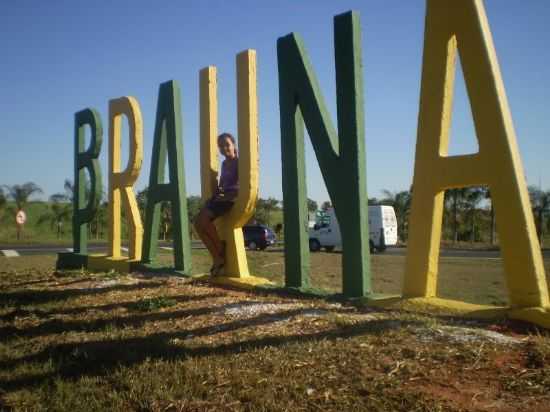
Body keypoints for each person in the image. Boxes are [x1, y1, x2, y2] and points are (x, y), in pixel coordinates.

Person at [194, 132, 239, 276]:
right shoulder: (225, 163)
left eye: (227, 144)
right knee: (197, 224)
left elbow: (242, 185)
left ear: (233, 145)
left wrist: (226, 195)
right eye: (221, 146)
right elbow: (222, 185)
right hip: (220, 200)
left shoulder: (240, 162)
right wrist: (214, 196)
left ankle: (220, 248)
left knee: (202, 220)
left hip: (231, 200)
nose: (224, 148)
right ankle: (217, 257)